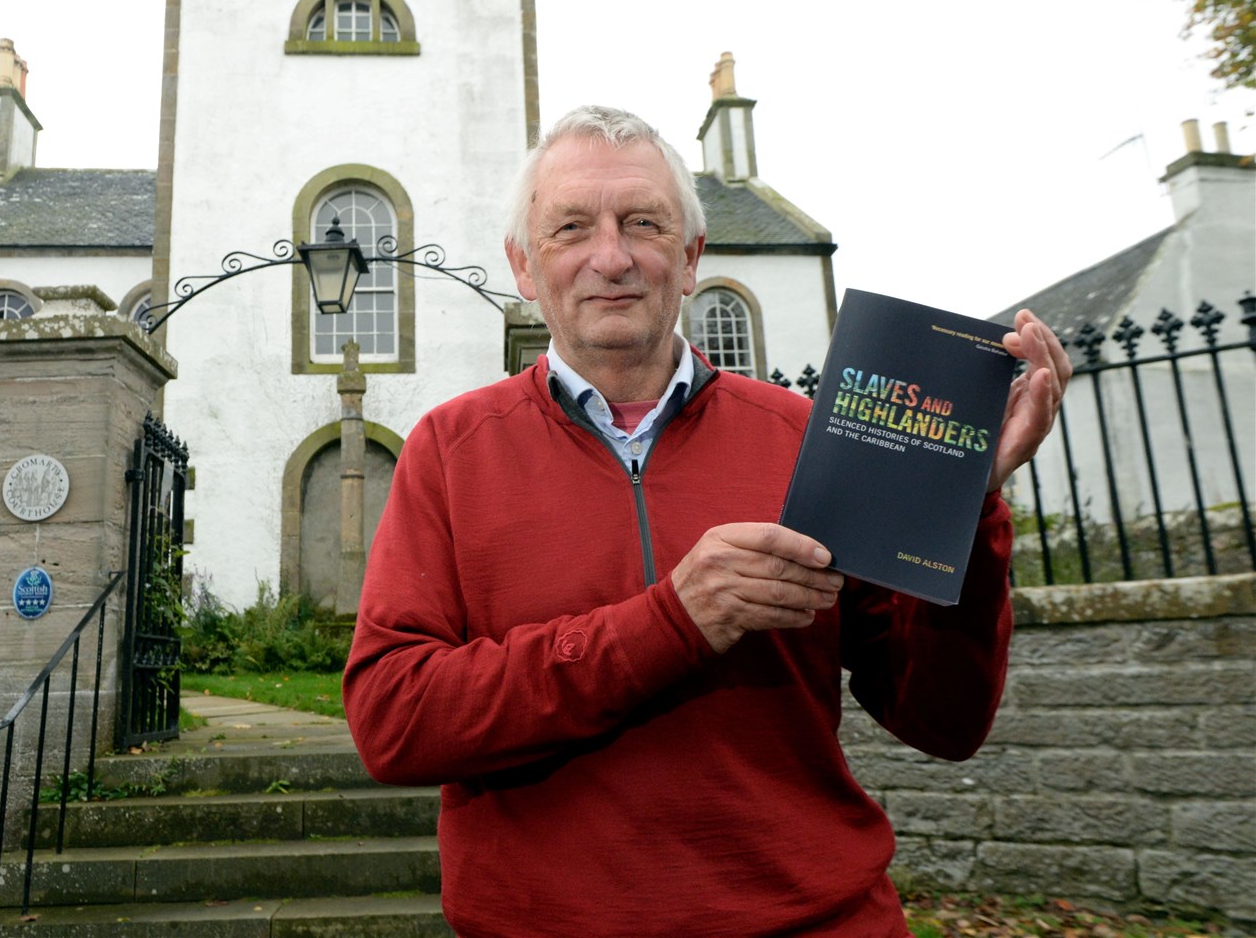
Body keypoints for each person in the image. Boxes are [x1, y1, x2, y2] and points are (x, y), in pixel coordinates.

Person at [343, 106, 1070, 937]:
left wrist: (965, 503)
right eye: (571, 228)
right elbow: (394, 721)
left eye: (643, 224)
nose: (610, 257)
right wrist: (671, 622)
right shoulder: (450, 448)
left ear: (690, 259)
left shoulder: (808, 438)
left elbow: (943, 721)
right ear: (523, 265)